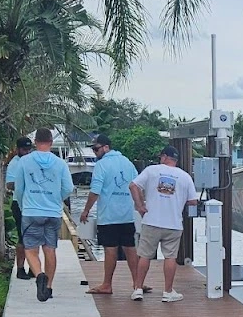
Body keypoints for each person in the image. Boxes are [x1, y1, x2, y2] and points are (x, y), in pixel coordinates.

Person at [78, 134, 144, 299]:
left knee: (110, 250)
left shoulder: (101, 165)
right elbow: (137, 186)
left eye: (96, 149)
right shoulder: (128, 163)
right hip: (127, 215)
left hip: (108, 216)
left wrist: (86, 210)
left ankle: (107, 284)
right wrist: (140, 205)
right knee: (130, 249)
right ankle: (138, 284)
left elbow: (95, 191)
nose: (95, 152)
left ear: (106, 147)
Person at [129, 144, 198, 303]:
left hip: (151, 220)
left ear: (165, 157)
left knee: (145, 255)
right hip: (173, 224)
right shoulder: (185, 176)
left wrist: (140, 205)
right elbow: (193, 201)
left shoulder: (151, 170)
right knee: (170, 257)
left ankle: (138, 289)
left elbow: (133, 186)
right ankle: (167, 292)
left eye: (161, 156)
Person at [16, 128, 74, 302]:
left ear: (35, 142)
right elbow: (68, 188)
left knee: (30, 250)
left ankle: (39, 274)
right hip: (53, 213)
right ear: (51, 142)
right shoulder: (60, 163)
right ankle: (48, 287)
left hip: (31, 212)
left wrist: (22, 204)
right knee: (50, 249)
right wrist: (57, 199)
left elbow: (19, 188)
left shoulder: (25, 161)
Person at [4, 136, 35, 279]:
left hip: (32, 203)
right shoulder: (14, 164)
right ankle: (21, 268)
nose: (27, 152)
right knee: (23, 237)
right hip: (19, 203)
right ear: (18, 149)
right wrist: (23, 184)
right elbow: (9, 184)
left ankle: (33, 268)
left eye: (29, 149)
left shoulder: (32, 161)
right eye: (24, 149)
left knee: (33, 237)